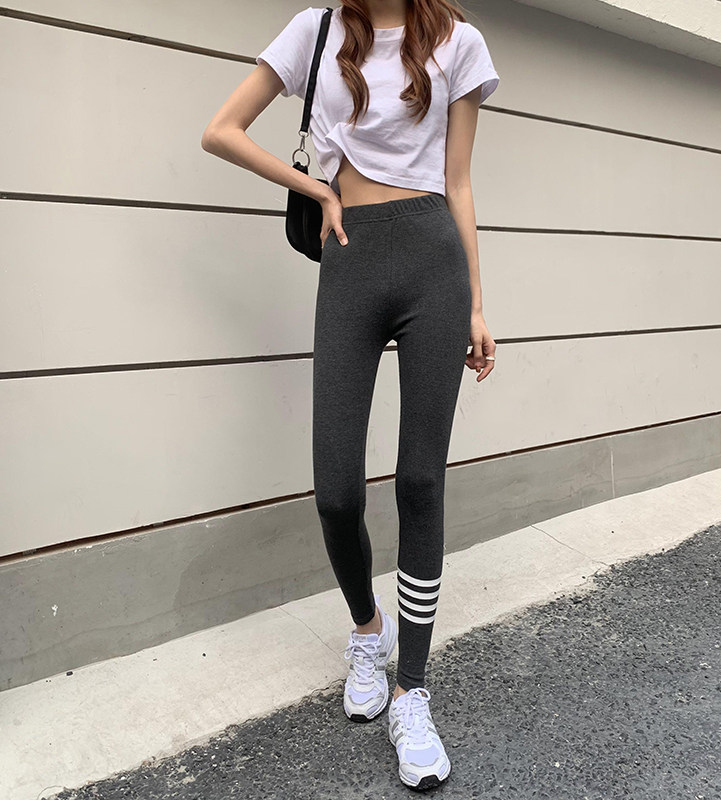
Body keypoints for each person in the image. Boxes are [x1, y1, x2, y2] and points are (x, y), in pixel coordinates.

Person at [201, 0, 499, 790]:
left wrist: (476, 303)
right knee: (335, 491)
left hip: (434, 263)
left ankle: (412, 689)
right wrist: (317, 188)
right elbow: (221, 130)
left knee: (420, 481)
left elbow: (459, 181)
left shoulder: (460, 43)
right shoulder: (317, 30)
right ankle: (368, 629)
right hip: (349, 260)